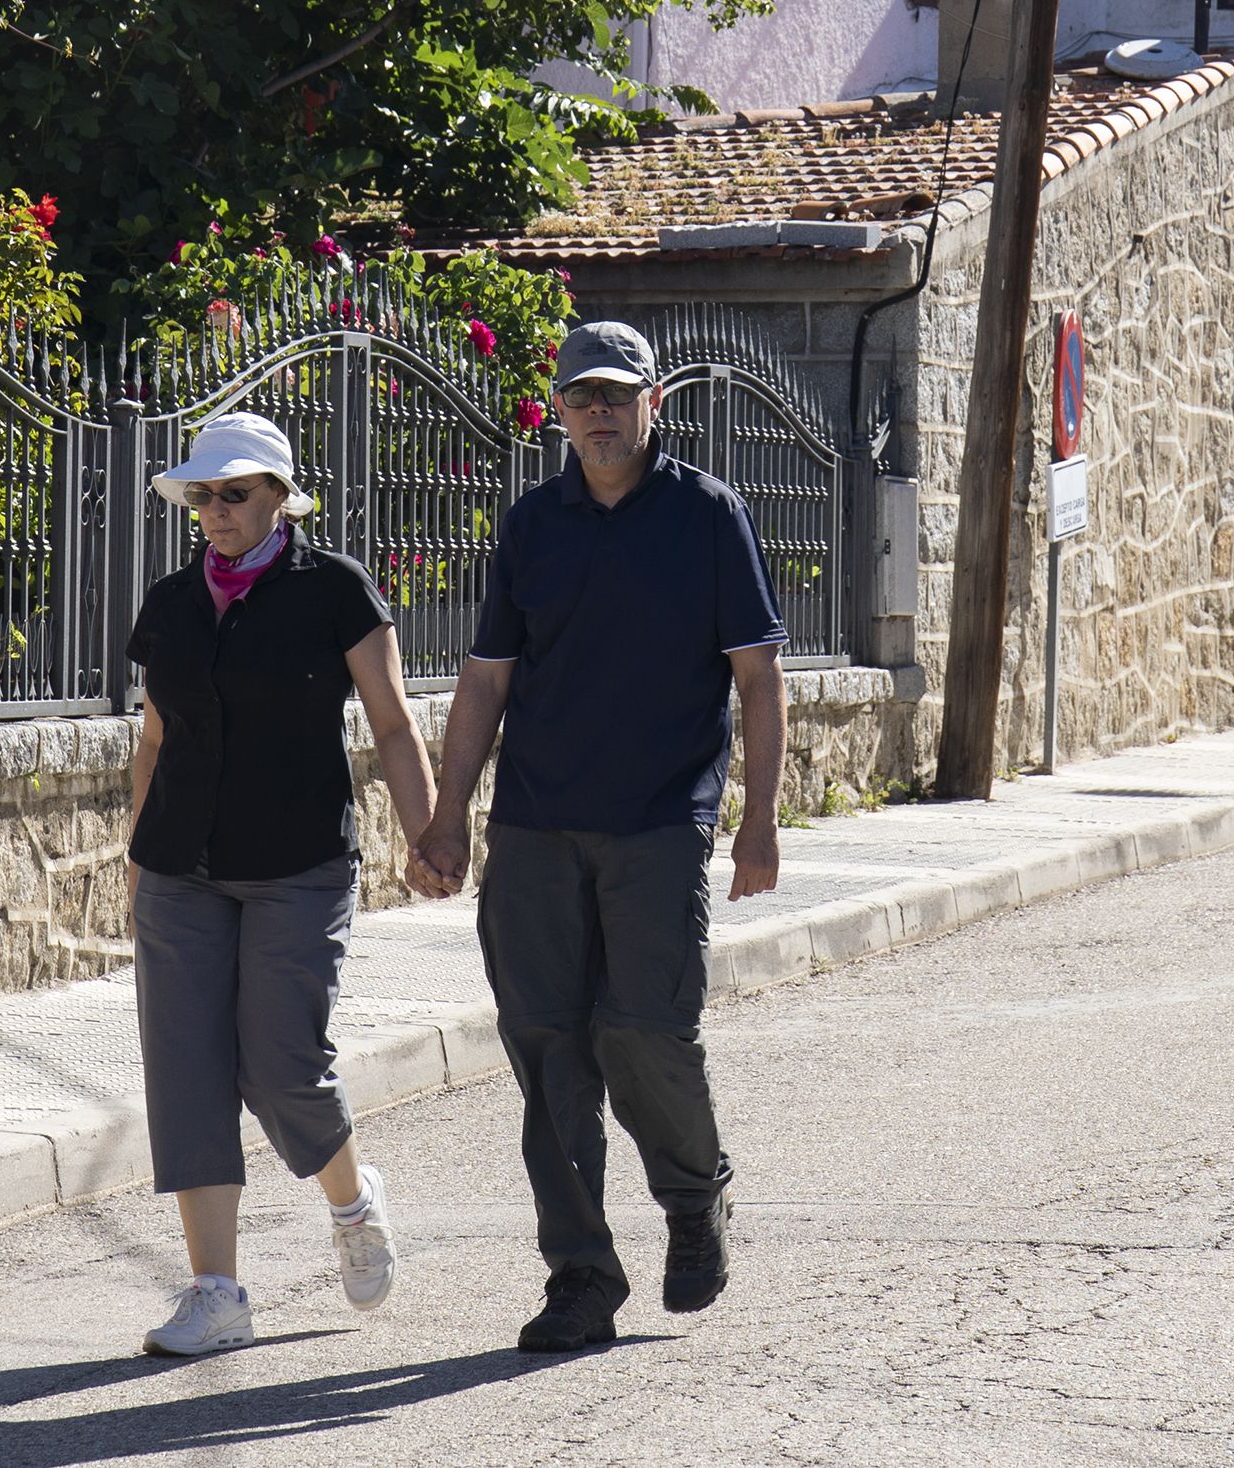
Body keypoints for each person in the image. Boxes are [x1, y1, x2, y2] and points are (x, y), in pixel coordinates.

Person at [408, 320, 787, 1356]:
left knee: (642, 1031)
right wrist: (447, 817)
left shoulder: (708, 515)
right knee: (546, 1047)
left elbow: (756, 677)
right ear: (559, 412)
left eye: (618, 395)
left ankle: (690, 1193)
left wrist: (756, 821)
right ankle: (580, 1276)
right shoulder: (534, 524)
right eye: (582, 398)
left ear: (653, 402)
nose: (601, 413)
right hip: (533, 824)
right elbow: (486, 680)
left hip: (659, 821)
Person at [124, 411, 433, 1358]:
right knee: (187, 1073)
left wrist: (430, 835)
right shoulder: (173, 604)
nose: (216, 511)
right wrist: (136, 863)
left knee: (282, 1064)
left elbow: (389, 722)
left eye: (235, 493)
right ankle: (217, 1291)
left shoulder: (333, 590)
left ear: (278, 499)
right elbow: (154, 739)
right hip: (181, 867)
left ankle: (351, 1200)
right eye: (204, 496)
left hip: (297, 862)